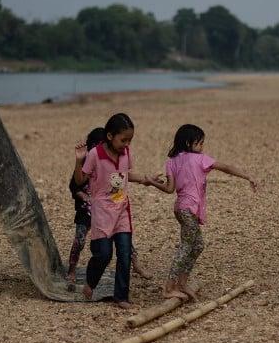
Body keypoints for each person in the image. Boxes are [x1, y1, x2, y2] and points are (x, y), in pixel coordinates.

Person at [151, 124, 259, 301]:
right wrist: (247, 176)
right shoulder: (200, 159)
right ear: (189, 143)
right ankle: (169, 288)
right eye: (200, 143)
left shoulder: (171, 162)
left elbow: (169, 189)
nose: (202, 147)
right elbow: (226, 167)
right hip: (188, 209)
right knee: (186, 246)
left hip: (181, 209)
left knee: (198, 245)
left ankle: (182, 283)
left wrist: (152, 182)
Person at [73, 113, 156, 309]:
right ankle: (91, 282)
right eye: (123, 140)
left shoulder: (126, 153)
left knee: (125, 254)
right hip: (102, 212)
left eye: (129, 140)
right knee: (103, 254)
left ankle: (121, 296)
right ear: (110, 136)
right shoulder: (95, 154)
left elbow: (125, 175)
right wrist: (79, 161)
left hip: (122, 211)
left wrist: (146, 179)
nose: (126, 144)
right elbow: (80, 180)